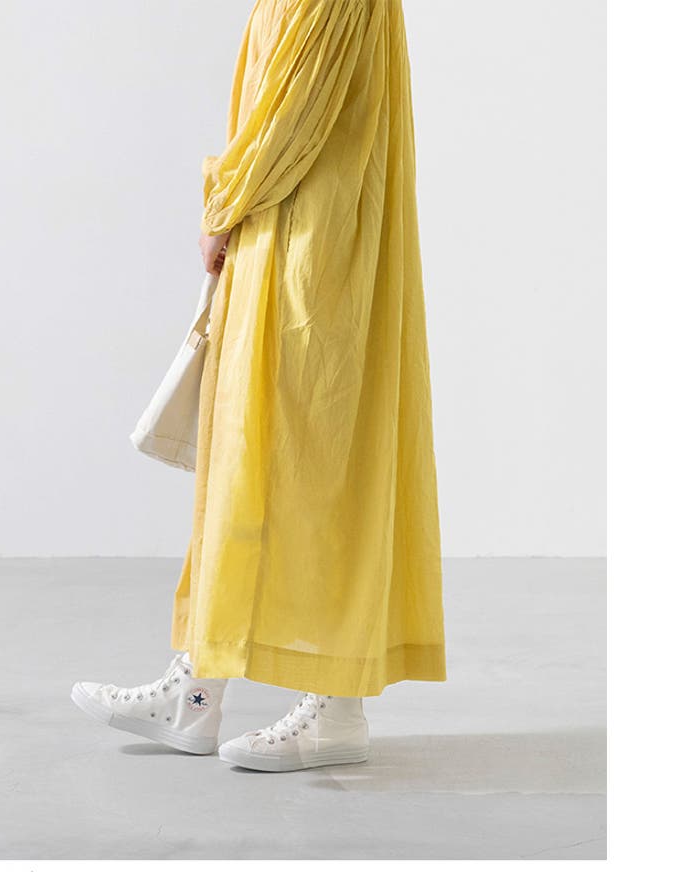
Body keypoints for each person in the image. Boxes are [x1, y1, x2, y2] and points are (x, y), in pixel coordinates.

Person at [72, 0, 446, 773]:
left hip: (318, 245)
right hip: (285, 237)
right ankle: (195, 694)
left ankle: (338, 711)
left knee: (319, 467)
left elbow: (293, 109)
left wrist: (223, 203)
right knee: (248, 462)